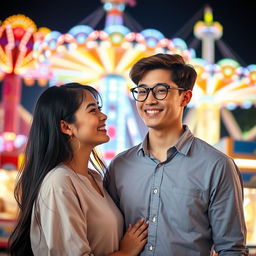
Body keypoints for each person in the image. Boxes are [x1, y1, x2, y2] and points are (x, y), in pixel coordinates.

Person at [105, 54, 248, 256]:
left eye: (161, 91)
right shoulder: (120, 166)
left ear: (185, 97)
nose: (149, 100)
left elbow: (231, 249)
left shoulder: (217, 166)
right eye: (142, 91)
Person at [8, 83, 148, 256]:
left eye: (99, 109)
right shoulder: (59, 182)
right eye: (92, 110)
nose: (103, 116)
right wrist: (126, 252)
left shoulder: (94, 177)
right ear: (66, 127)